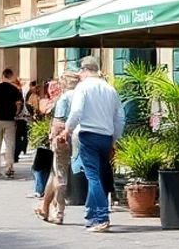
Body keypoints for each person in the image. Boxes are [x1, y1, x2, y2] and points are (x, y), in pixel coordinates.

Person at [65, 55, 125, 233]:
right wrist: (113, 139)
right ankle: (91, 214)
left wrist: (67, 130)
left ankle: (101, 217)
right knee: (98, 177)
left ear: (84, 71)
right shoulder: (110, 89)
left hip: (88, 136)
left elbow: (76, 111)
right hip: (106, 137)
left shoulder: (82, 87)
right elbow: (120, 118)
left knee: (93, 177)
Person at [38, 71, 79, 225]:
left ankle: (59, 211)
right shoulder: (84, 95)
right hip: (84, 137)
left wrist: (53, 136)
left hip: (64, 139)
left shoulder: (65, 98)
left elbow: (59, 122)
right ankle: (44, 206)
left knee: (60, 175)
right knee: (55, 173)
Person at [0, 68, 23, 180]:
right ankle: (9, 168)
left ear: (2, 76)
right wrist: (16, 113)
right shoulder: (14, 90)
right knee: (9, 145)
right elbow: (19, 104)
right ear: (11, 76)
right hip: (9, 120)